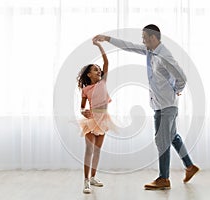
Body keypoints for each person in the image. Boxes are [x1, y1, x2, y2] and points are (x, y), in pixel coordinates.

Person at [93, 24, 199, 190]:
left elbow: (182, 78)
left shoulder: (164, 56)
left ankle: (164, 178)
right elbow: (130, 46)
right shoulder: (150, 52)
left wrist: (176, 91)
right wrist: (107, 39)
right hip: (159, 104)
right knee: (172, 136)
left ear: (153, 38)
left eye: (145, 38)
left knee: (162, 140)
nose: (142, 41)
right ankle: (190, 166)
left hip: (167, 105)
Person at [77, 39, 115, 194]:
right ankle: (85, 181)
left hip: (103, 119)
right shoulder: (86, 90)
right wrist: (82, 111)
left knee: (98, 151)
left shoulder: (103, 82)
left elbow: (106, 61)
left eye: (99, 69)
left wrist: (100, 46)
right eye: (95, 69)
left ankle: (93, 177)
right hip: (91, 120)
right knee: (89, 150)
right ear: (88, 74)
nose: (98, 71)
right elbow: (81, 107)